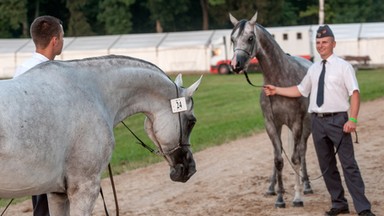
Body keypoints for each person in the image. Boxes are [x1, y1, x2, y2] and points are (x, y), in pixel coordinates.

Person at [263, 25, 375, 216]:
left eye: (324, 42)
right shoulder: (313, 69)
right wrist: (276, 90)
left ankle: (363, 208)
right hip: (317, 122)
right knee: (327, 166)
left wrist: (353, 119)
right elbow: (300, 90)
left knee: (349, 165)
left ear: (333, 43)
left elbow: (354, 94)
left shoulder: (343, 67)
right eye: (318, 43)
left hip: (338, 121)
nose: (321, 46)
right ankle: (339, 203)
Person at [14, 15, 64, 216]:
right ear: (55, 40)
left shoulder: (21, 69)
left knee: (41, 207)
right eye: (62, 36)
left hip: (27, 151)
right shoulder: (53, 73)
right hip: (48, 153)